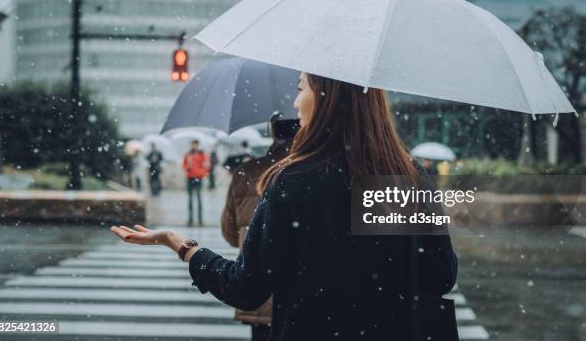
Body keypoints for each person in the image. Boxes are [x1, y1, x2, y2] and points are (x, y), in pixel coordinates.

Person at [111, 72, 458, 340]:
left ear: (326, 98)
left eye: (301, 88)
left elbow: (244, 288)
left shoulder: (296, 181)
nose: (295, 102)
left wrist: (181, 245)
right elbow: (439, 276)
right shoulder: (402, 176)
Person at [221, 115, 299, 341]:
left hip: (257, 289)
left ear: (273, 132)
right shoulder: (312, 171)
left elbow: (229, 232)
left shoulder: (246, 172)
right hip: (300, 294)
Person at [182, 140, 210, 226]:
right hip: (190, 178)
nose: (195, 146)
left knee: (199, 199)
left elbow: (206, 166)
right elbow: (184, 165)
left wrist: (200, 172)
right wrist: (188, 167)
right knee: (190, 199)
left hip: (198, 178)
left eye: (196, 145)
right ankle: (190, 219)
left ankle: (200, 220)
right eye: (193, 145)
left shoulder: (202, 154)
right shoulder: (188, 154)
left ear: (198, 145)